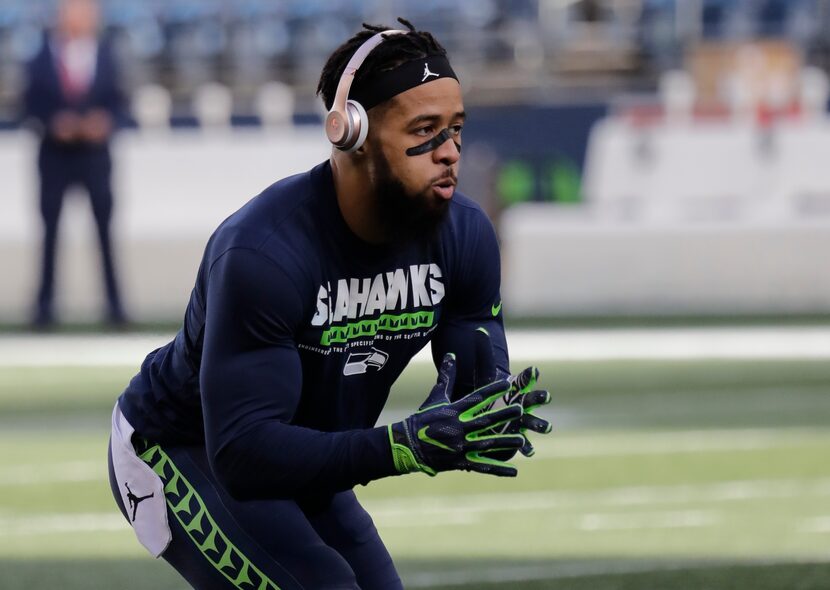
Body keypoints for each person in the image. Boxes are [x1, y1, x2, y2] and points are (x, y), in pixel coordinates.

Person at [107, 19, 552, 589]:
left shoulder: (463, 236)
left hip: (306, 449)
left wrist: (487, 409)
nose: (450, 153)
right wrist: (397, 447)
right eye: (425, 129)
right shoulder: (264, 252)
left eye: (456, 128)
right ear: (352, 132)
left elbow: (472, 381)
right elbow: (243, 454)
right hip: (183, 447)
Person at [23, 0, 128, 329]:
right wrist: (54, 122)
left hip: (95, 157)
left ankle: (115, 306)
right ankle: (44, 308)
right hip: (55, 156)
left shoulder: (108, 54)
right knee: (50, 232)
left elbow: (121, 102)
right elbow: (29, 104)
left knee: (104, 231)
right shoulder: (39, 55)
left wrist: (105, 121)